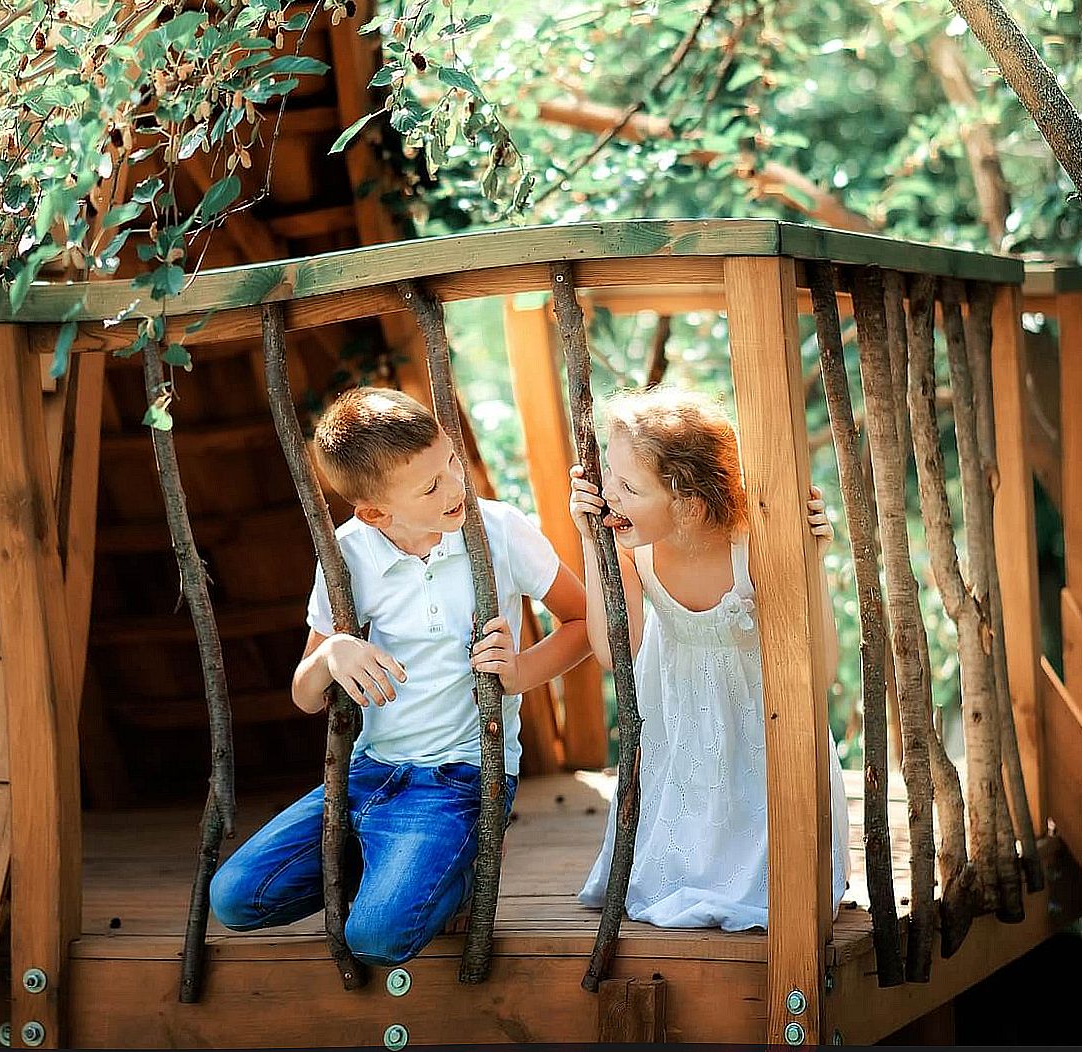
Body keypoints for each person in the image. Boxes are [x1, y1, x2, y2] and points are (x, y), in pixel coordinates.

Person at [209, 387, 592, 965]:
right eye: (431, 486)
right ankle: (400, 863)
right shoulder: (348, 552)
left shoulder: (500, 530)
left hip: (460, 778)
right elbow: (306, 695)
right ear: (375, 512)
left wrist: (519, 673)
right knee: (236, 898)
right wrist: (333, 652)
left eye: (451, 465)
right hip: (369, 773)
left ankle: (457, 867)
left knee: (376, 938)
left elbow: (583, 619)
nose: (456, 488)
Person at [572, 386, 850, 931]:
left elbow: (823, 668)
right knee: (678, 858)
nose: (609, 494)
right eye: (610, 475)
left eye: (628, 487)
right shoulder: (634, 551)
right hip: (680, 735)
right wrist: (589, 542)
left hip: (760, 737)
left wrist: (812, 560)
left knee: (762, 862)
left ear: (690, 505)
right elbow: (613, 654)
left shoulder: (753, 548)